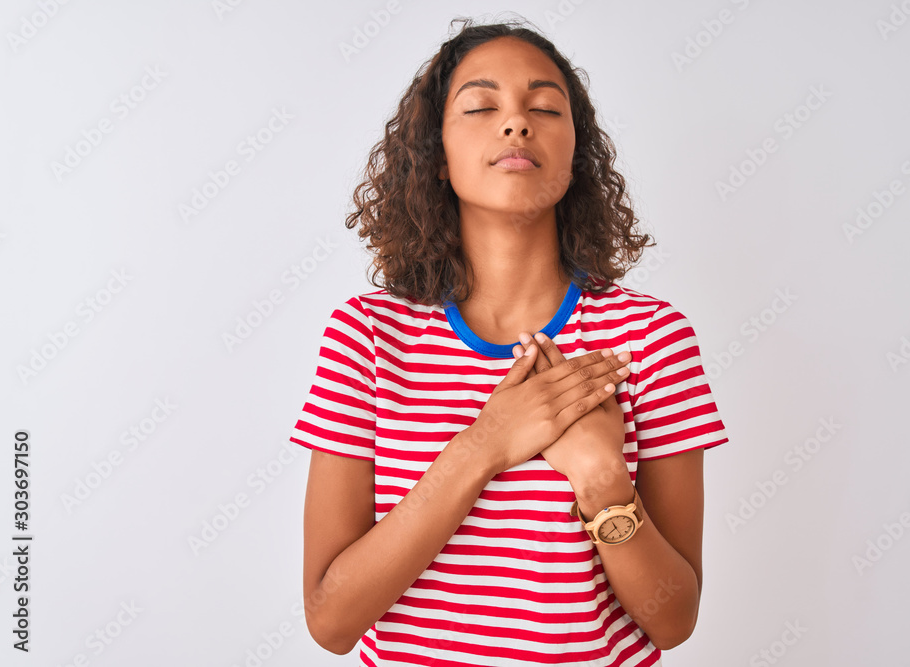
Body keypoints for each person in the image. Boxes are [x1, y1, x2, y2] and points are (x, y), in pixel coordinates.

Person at [289, 15, 729, 666]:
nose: (517, 123)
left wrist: (603, 479)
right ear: (437, 156)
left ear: (577, 154)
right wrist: (487, 442)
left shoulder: (651, 336)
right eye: (481, 106)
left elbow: (673, 619)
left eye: (545, 107)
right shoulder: (368, 335)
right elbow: (331, 619)